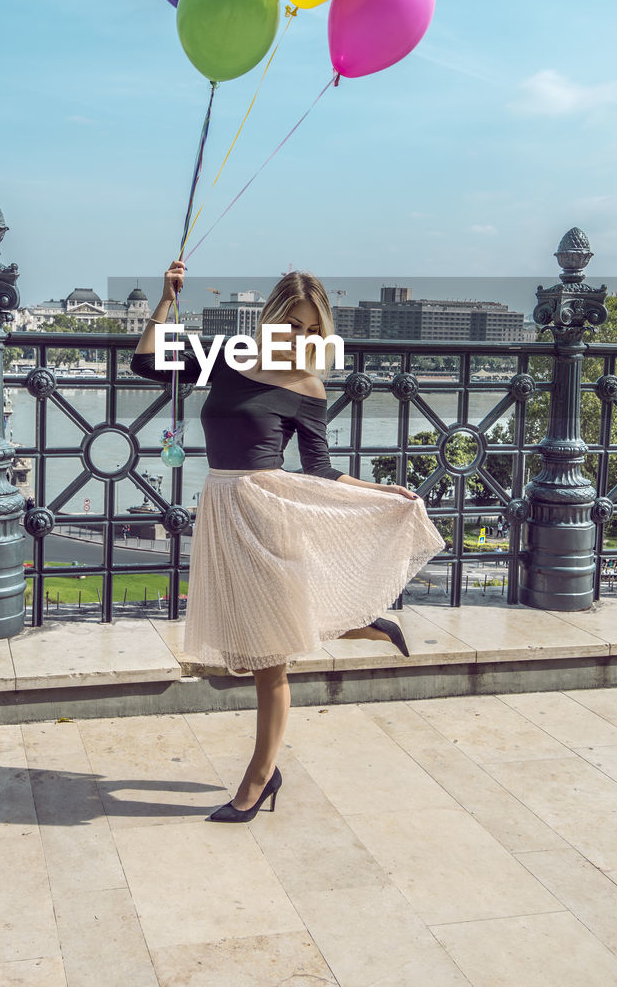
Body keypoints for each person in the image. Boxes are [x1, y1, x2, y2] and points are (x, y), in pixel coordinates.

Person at [130, 260, 445, 823]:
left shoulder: (307, 386)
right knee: (250, 637)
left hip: (270, 513)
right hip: (223, 509)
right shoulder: (227, 358)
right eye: (290, 323)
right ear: (270, 317)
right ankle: (369, 624)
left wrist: (381, 491)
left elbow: (320, 468)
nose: (298, 337)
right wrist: (165, 300)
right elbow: (148, 363)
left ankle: (257, 779)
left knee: (269, 659)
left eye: (309, 329)